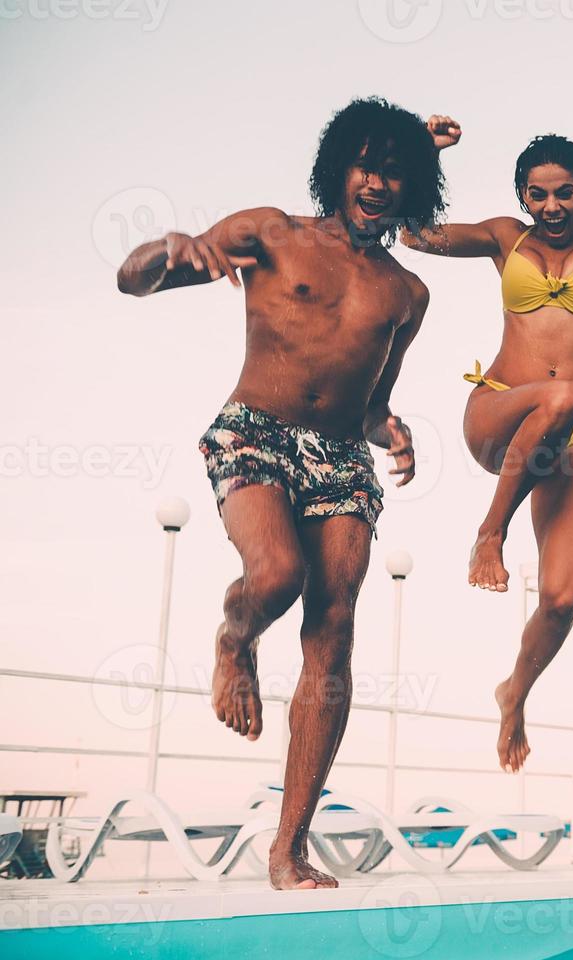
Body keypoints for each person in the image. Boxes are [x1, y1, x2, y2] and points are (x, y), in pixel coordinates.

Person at [116, 97, 444, 888]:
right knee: (275, 577)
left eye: (394, 171)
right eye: (366, 164)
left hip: (338, 456)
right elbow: (134, 283)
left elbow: (368, 402)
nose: (377, 182)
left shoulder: (407, 293)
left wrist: (389, 428)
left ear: (413, 189)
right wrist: (165, 250)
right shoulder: (268, 231)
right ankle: (235, 640)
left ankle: (289, 845)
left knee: (334, 627)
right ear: (340, 168)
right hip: (255, 431)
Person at [401, 71, 573, 772]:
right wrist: (425, 153)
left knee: (561, 599)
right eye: (538, 192)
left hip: (571, 444)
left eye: (565, 191)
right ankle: (488, 533)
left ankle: (514, 692)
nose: (552, 203)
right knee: (564, 397)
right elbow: (414, 234)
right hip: (500, 412)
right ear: (521, 198)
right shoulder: (505, 238)